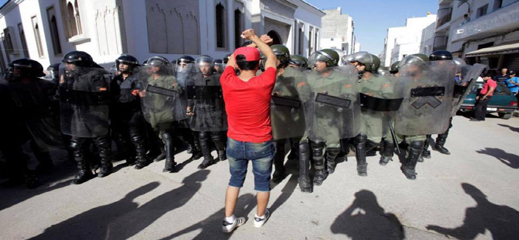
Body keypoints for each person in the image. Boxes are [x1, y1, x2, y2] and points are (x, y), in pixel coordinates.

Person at [220, 28, 277, 233]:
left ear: (237, 64)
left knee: (235, 180)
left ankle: (228, 220)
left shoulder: (227, 81)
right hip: (261, 141)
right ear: (258, 64)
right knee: (262, 182)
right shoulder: (265, 81)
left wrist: (251, 44)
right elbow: (272, 56)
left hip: (235, 140)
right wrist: (255, 40)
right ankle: (259, 218)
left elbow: (232, 60)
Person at [298, 49, 360, 191]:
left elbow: (351, 96)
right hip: (313, 116)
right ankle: (320, 171)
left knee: (333, 145)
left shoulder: (342, 78)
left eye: (319, 61)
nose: (316, 63)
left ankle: (331, 161)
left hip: (332, 117)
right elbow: (301, 91)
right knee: (317, 144)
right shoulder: (310, 77)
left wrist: (335, 99)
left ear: (330, 63)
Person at [59, 51, 112, 184]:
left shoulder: (96, 75)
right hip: (78, 114)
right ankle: (84, 170)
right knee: (76, 144)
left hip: (95, 113)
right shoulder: (72, 76)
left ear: (79, 63)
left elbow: (101, 95)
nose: (67, 66)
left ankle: (106, 165)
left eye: (69, 63)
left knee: (100, 141)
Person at [269, 45, 307, 183]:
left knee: (299, 143)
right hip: (276, 115)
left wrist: (287, 95)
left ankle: (302, 172)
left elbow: (305, 93)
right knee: (277, 145)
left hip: (295, 114)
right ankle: (279, 169)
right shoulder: (267, 72)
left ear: (281, 58)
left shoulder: (296, 74)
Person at [137, 56, 182, 172]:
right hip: (152, 112)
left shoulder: (169, 78)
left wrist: (170, 90)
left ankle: (170, 161)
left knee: (167, 135)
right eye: (152, 66)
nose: (154, 67)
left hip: (166, 111)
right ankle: (164, 152)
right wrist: (142, 94)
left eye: (156, 65)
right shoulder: (149, 80)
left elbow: (179, 91)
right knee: (157, 134)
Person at [187, 55, 227, 169]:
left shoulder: (218, 78)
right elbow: (191, 95)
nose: (204, 68)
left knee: (216, 135)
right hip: (200, 109)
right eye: (202, 66)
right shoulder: (194, 79)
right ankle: (207, 158)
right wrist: (189, 107)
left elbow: (223, 94)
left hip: (215, 109)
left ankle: (221, 150)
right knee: (202, 135)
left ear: (211, 66)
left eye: (206, 66)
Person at [110, 54, 148, 169]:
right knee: (121, 136)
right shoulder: (116, 79)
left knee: (135, 136)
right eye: (120, 63)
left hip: (133, 111)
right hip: (119, 111)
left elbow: (137, 95)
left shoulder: (138, 78)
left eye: (124, 63)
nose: (121, 66)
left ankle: (142, 158)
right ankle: (129, 157)